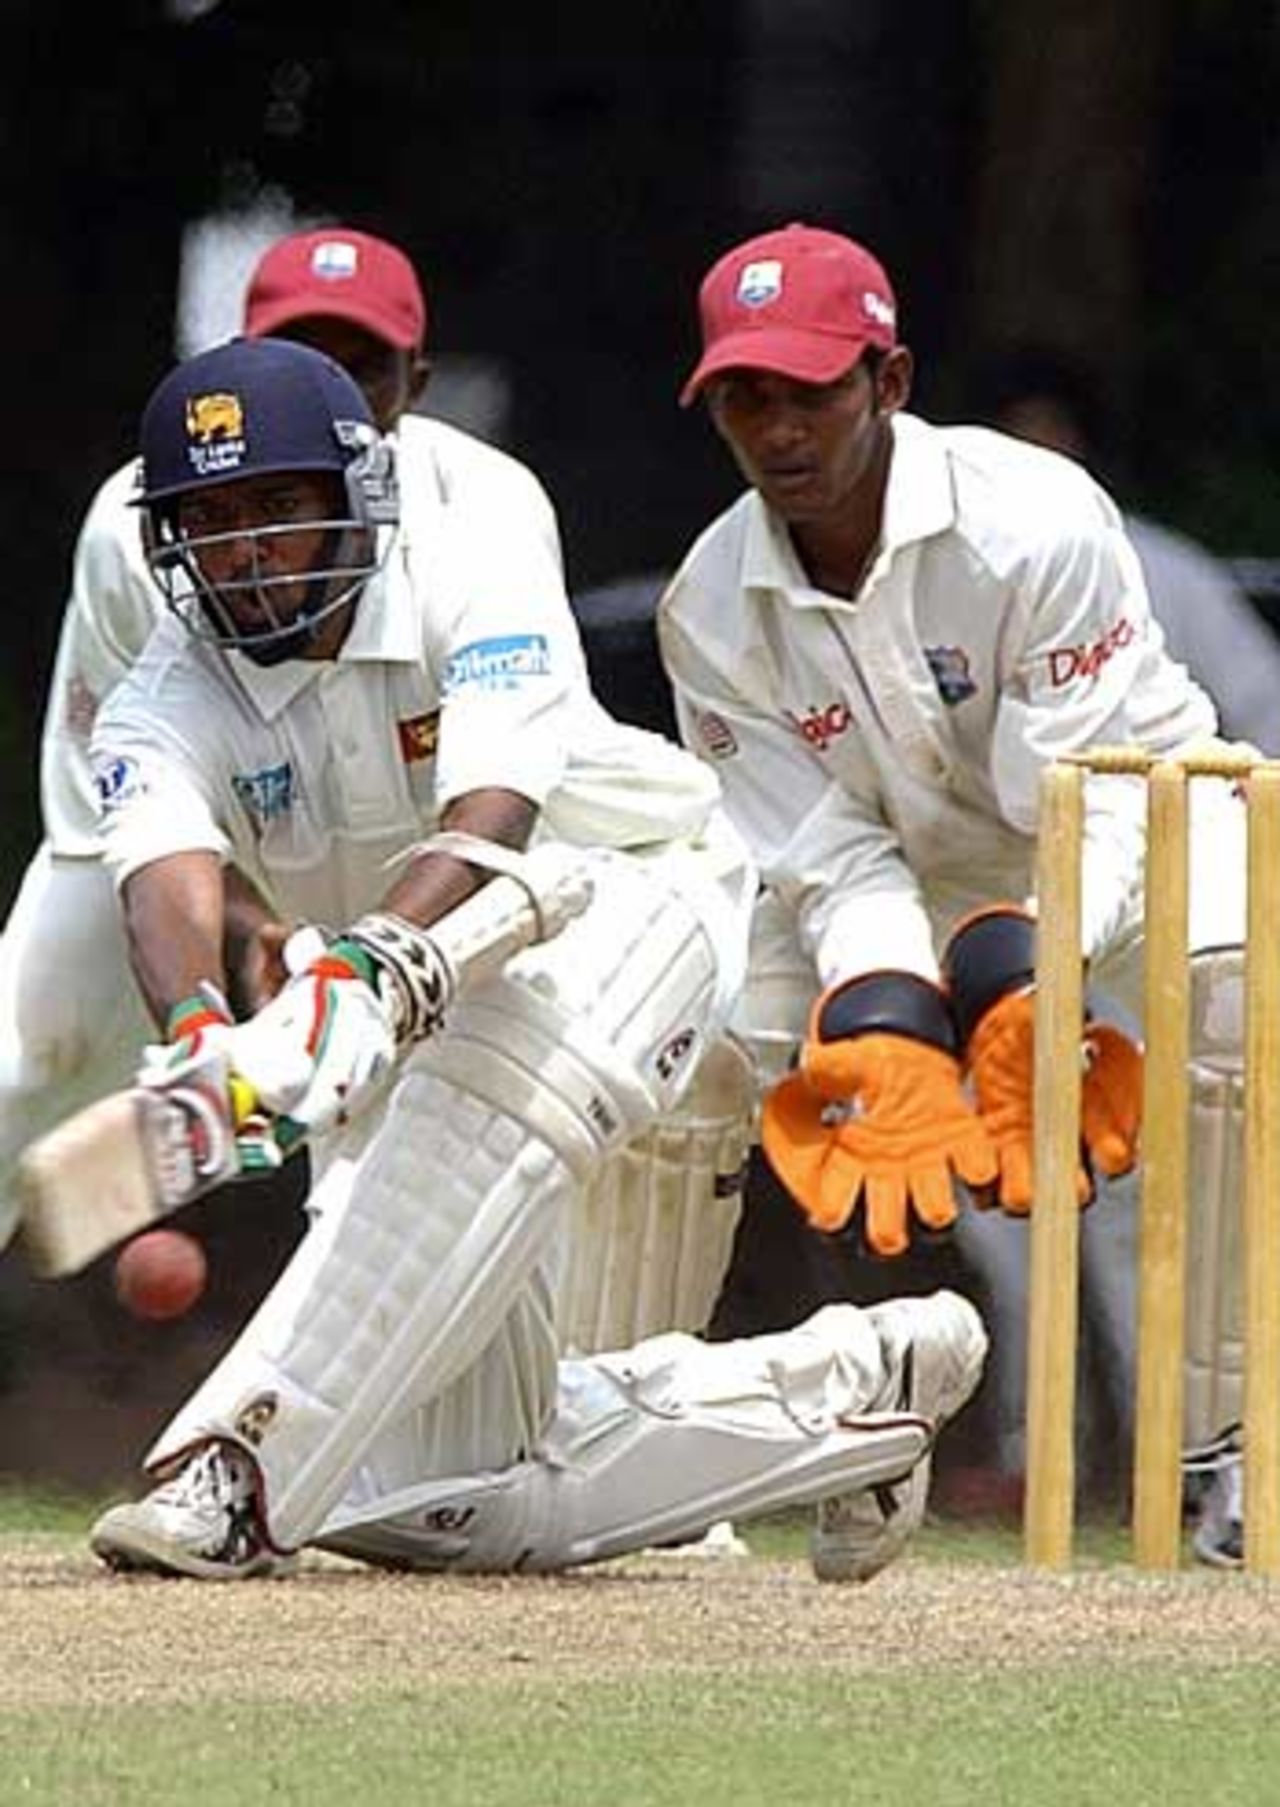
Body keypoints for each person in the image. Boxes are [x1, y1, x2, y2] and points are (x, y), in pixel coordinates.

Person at [81, 333, 988, 1582]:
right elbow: (164, 881)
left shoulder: (474, 560)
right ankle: (849, 1394)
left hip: (617, 901)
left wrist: (359, 970)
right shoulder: (159, 694)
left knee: (476, 1092)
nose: (243, 550)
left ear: (355, 495)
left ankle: (234, 1468)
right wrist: (201, 1034)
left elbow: (492, 817)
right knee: (449, 1497)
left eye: (275, 508)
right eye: (211, 518)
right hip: (392, 1011)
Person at [657, 221, 1254, 1566]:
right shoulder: (709, 605)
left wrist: (1016, 967)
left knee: (1228, 1019)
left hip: (1151, 818)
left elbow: (1088, 791)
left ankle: (1234, 1453)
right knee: (678, 1041)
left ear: (890, 379)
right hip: (921, 881)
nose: (777, 428)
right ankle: (626, 1440)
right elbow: (822, 852)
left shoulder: (1029, 518)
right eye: (745, 395)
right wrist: (879, 1003)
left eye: (810, 388)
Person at [0, 226, 453, 1250]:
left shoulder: (472, 512)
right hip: (142, 846)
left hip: (387, 841)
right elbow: (142, 798)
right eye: (298, 354)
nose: (323, 387)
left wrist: (346, 952)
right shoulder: (134, 527)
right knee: (17, 1067)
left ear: (411, 382)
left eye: (359, 366)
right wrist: (241, 958)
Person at [972, 345, 1280, 756]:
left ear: (1079, 445)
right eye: (1017, 440)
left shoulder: (1168, 572)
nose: (1035, 458)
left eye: (1049, 435)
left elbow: (1266, 710)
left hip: (1157, 808)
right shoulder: (952, 572)